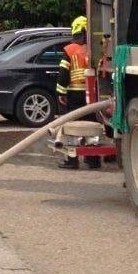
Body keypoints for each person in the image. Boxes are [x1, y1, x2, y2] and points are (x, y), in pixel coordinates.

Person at [56, 16, 91, 168]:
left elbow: (63, 74)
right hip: (91, 95)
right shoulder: (93, 49)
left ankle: (72, 160)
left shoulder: (69, 50)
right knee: (91, 125)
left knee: (71, 126)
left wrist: (61, 93)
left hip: (74, 94)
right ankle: (93, 160)